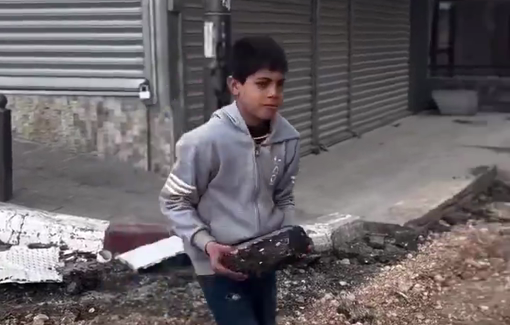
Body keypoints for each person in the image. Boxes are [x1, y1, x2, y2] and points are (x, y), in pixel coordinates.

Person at [159, 35, 300, 325]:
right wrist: (208, 244)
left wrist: (288, 237)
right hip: (219, 264)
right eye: (262, 84)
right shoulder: (203, 142)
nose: (274, 93)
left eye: (280, 84)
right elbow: (175, 202)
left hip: (265, 258)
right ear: (235, 86)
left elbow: (284, 196)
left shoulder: (288, 139)